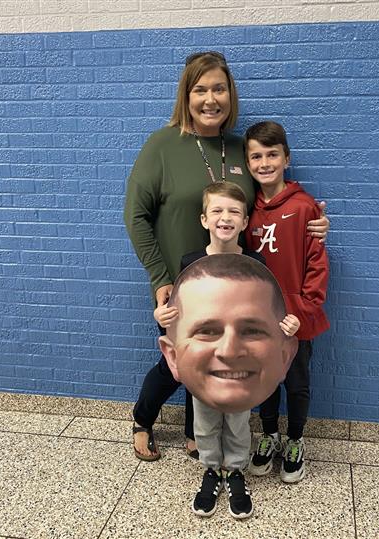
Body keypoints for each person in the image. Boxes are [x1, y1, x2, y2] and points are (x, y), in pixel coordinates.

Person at [124, 51, 330, 461]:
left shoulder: (241, 148)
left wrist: (312, 223)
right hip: (182, 284)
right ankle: (142, 419)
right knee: (177, 365)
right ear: (186, 95)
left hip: (235, 290)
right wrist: (160, 277)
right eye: (200, 89)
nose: (210, 99)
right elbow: (135, 215)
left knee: (217, 362)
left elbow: (269, 205)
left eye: (219, 88)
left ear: (230, 94)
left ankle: (194, 435)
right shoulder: (162, 145)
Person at [155, 182, 299, 518]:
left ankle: (235, 471)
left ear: (245, 221)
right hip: (205, 364)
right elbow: (182, 312)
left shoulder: (254, 260)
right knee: (204, 419)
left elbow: (263, 309)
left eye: (234, 211)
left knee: (237, 417)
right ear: (204, 219)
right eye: (217, 211)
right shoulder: (190, 261)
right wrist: (164, 318)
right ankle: (211, 469)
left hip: (240, 365)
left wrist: (285, 325)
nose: (225, 217)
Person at [244, 121, 330, 484]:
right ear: (248, 163)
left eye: (272, 155)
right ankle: (269, 435)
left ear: (286, 159)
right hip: (260, 316)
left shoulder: (305, 206)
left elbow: (317, 265)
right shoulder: (244, 209)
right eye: (256, 156)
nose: (265, 163)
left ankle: (295, 440)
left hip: (296, 318)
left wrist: (303, 311)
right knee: (264, 380)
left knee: (296, 382)